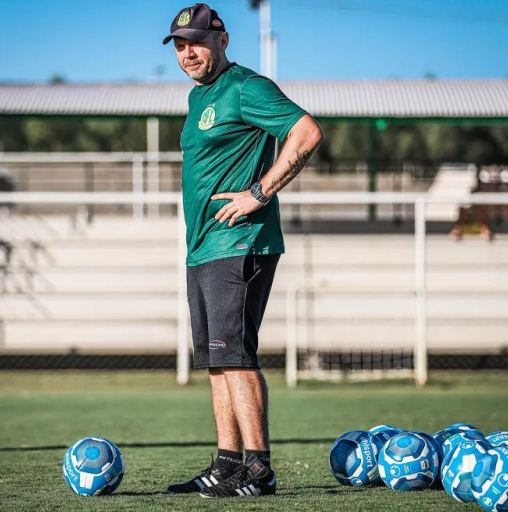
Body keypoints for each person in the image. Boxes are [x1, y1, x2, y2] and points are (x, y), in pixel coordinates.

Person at [162, 3, 324, 499]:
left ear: (223, 39)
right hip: (204, 249)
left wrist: (260, 191)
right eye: (180, 45)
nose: (189, 52)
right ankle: (227, 464)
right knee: (217, 360)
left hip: (240, 244)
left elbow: (306, 132)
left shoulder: (246, 87)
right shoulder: (198, 99)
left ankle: (258, 469)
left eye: (197, 42)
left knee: (236, 356)